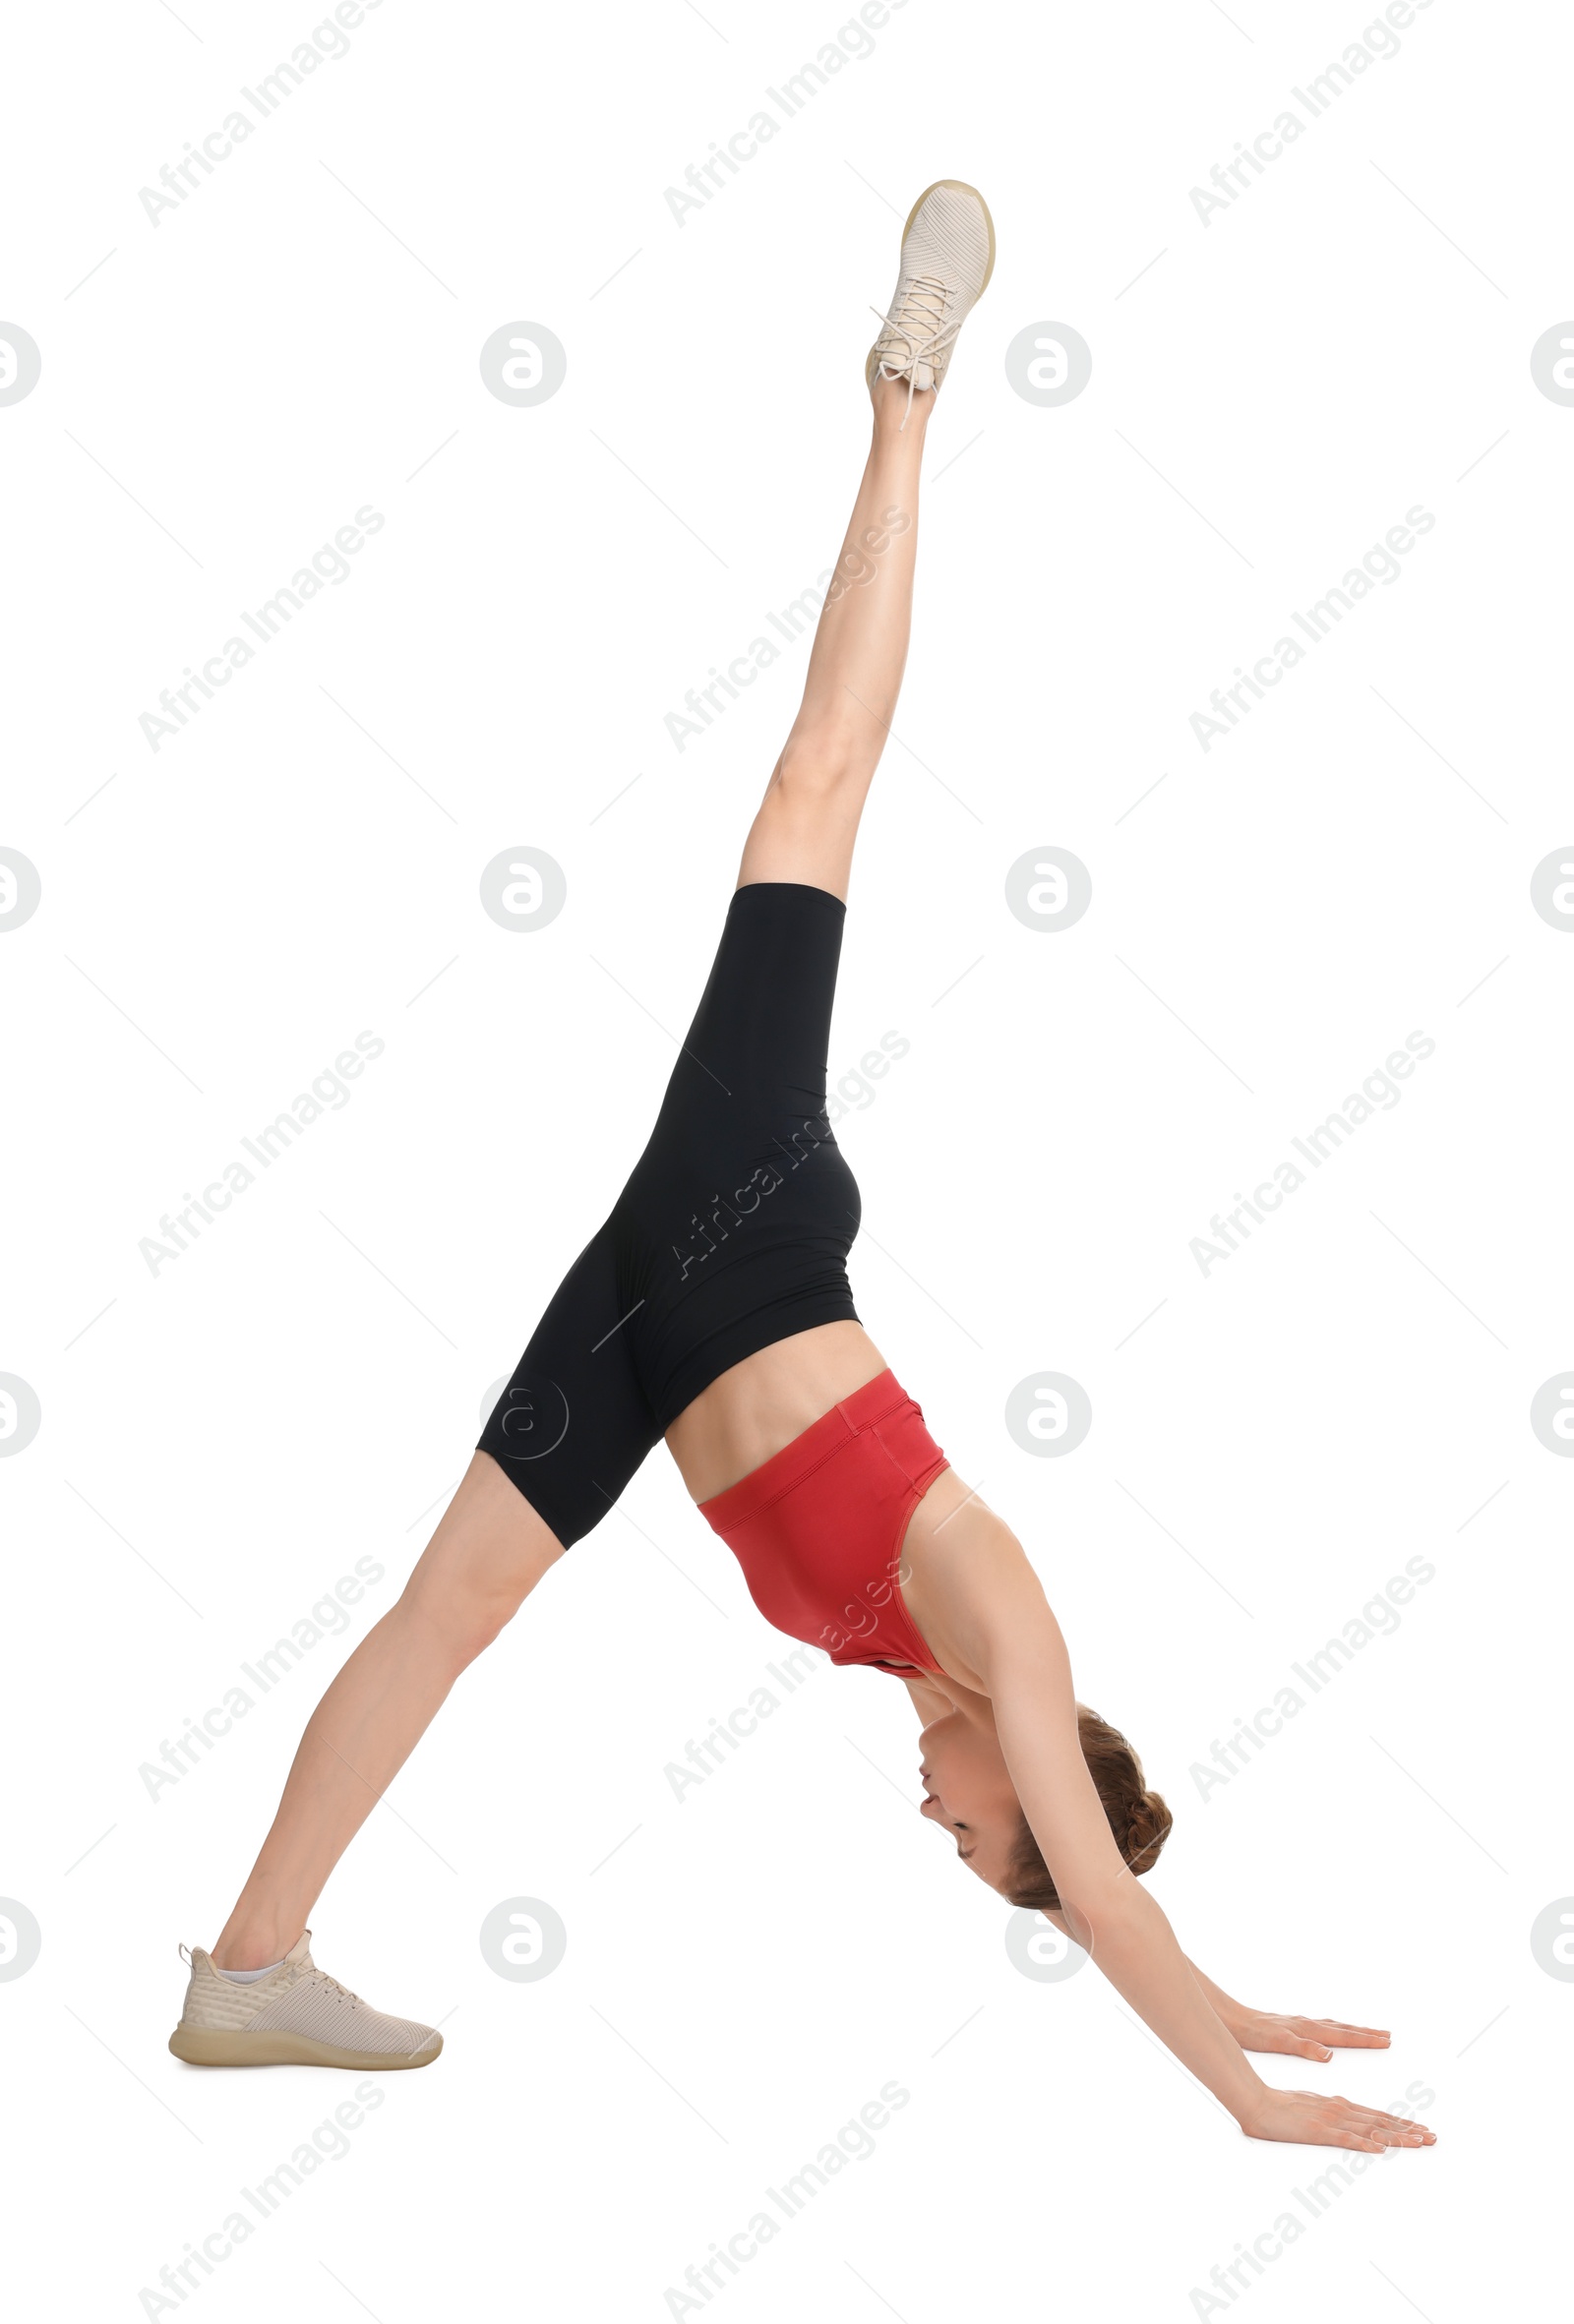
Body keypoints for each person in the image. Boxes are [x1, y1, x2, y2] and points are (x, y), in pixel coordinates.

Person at [168, 183, 1435, 2159]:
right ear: (1043, 1781)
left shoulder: (900, 1659)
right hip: (742, 1227)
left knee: (442, 1614)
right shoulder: (1006, 1624)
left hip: (657, 1327)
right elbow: (1102, 1891)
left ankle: (246, 1968)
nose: (947, 1838)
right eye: (986, 1852)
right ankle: (908, 396)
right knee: (812, 792)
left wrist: (1230, 1999)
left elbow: (1111, 1891)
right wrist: (1235, 2096)